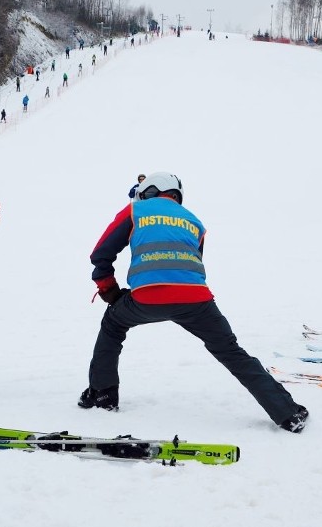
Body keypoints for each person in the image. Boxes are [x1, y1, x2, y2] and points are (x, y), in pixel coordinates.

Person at [78, 172, 309, 432]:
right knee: (231, 351)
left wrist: (108, 288)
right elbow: (190, 264)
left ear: (150, 191)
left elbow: (101, 253)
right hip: (196, 300)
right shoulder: (194, 221)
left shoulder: (136, 210)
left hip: (146, 297)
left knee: (113, 325)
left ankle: (102, 394)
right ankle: (287, 413)